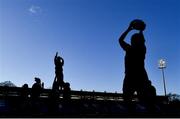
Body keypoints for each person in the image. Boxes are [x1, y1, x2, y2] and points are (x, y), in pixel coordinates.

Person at [119, 20, 152, 103]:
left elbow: (120, 40)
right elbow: (142, 40)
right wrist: (141, 30)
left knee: (127, 100)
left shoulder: (130, 49)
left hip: (130, 76)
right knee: (145, 101)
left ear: (132, 41)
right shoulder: (142, 49)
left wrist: (129, 29)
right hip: (141, 76)